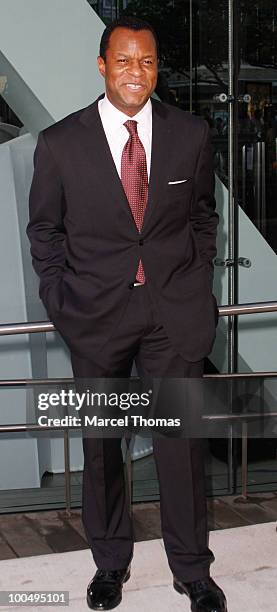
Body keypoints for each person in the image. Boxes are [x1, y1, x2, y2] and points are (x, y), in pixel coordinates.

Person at [27, 15, 227, 612]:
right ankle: (110, 564)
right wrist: (64, 301)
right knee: (101, 447)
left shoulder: (189, 134)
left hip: (172, 316)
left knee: (182, 449)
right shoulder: (61, 143)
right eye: (123, 60)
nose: (135, 73)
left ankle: (193, 571)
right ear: (101, 65)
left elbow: (201, 219)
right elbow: (45, 232)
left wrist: (195, 280)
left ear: (156, 67)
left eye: (146, 62)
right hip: (95, 318)